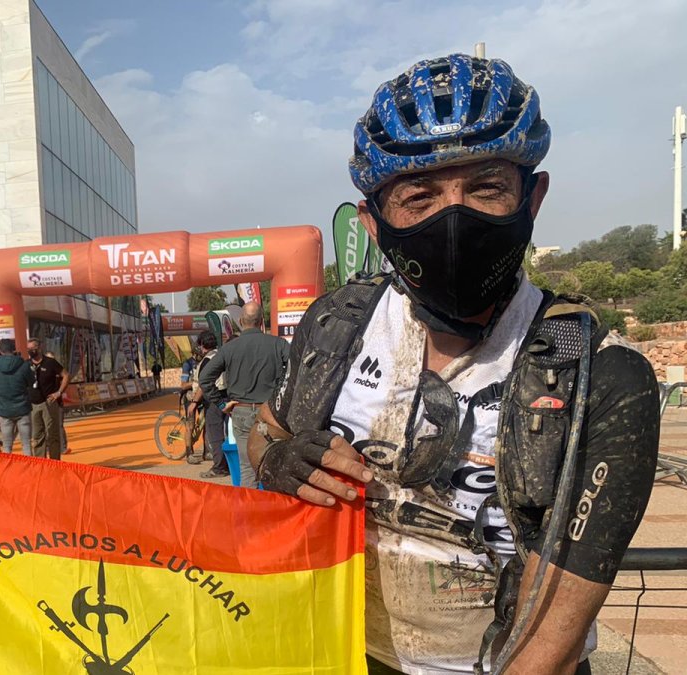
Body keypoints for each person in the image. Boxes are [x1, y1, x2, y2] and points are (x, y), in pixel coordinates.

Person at [249, 55, 659, 674]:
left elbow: (547, 647)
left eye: (486, 188)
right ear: (374, 222)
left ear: (533, 197)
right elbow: (264, 433)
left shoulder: (599, 374)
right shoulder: (336, 325)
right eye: (419, 196)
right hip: (342, 650)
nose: (453, 217)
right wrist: (279, 459)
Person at [199, 302, 290, 487]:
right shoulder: (278, 344)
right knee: (275, 465)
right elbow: (297, 371)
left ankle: (251, 512)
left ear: (241, 321)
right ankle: (276, 510)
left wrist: (222, 404)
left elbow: (205, 378)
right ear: (262, 321)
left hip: (241, 412)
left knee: (247, 468)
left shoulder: (229, 348)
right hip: (271, 413)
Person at [191, 331, 228, 478]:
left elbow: (203, 384)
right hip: (226, 397)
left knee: (216, 434)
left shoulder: (207, 360)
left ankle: (219, 467)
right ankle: (227, 463)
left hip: (213, 400)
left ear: (202, 345)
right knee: (227, 433)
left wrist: (194, 402)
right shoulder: (222, 355)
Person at [0, 339, 34, 455]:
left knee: (7, 445)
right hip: (23, 408)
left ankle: (8, 471)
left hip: (5, 410)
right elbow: (32, 381)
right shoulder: (24, 365)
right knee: (26, 443)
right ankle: (29, 470)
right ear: (14, 349)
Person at [28, 339, 68, 460]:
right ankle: (41, 462)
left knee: (52, 434)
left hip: (49, 403)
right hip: (33, 405)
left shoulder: (50, 362)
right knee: (37, 435)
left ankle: (54, 461)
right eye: (28, 349)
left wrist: (59, 392)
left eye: (32, 348)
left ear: (39, 348)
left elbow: (65, 374)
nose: (30, 351)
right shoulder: (26, 364)